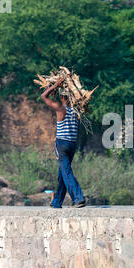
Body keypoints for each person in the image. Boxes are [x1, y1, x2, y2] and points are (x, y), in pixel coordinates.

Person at [41, 77, 86, 208]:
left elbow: (43, 96)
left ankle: (78, 198)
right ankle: (57, 202)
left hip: (62, 144)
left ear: (62, 99)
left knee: (66, 172)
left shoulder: (61, 109)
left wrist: (54, 86)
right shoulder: (77, 112)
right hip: (72, 145)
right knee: (63, 172)